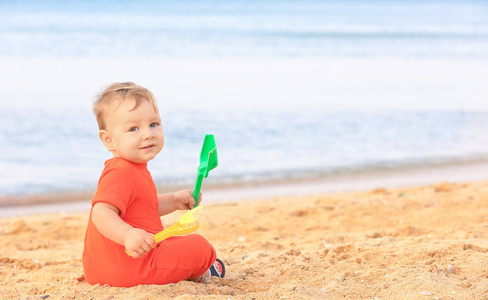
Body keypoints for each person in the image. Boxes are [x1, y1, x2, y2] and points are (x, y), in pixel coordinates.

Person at [82, 82, 225, 287]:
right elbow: (101, 212)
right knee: (201, 248)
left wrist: (174, 200)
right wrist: (127, 235)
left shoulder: (130, 168)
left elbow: (143, 207)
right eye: (133, 128)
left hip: (103, 272)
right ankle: (203, 272)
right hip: (130, 267)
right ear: (109, 140)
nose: (148, 134)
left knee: (176, 243)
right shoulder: (120, 172)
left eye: (154, 124)